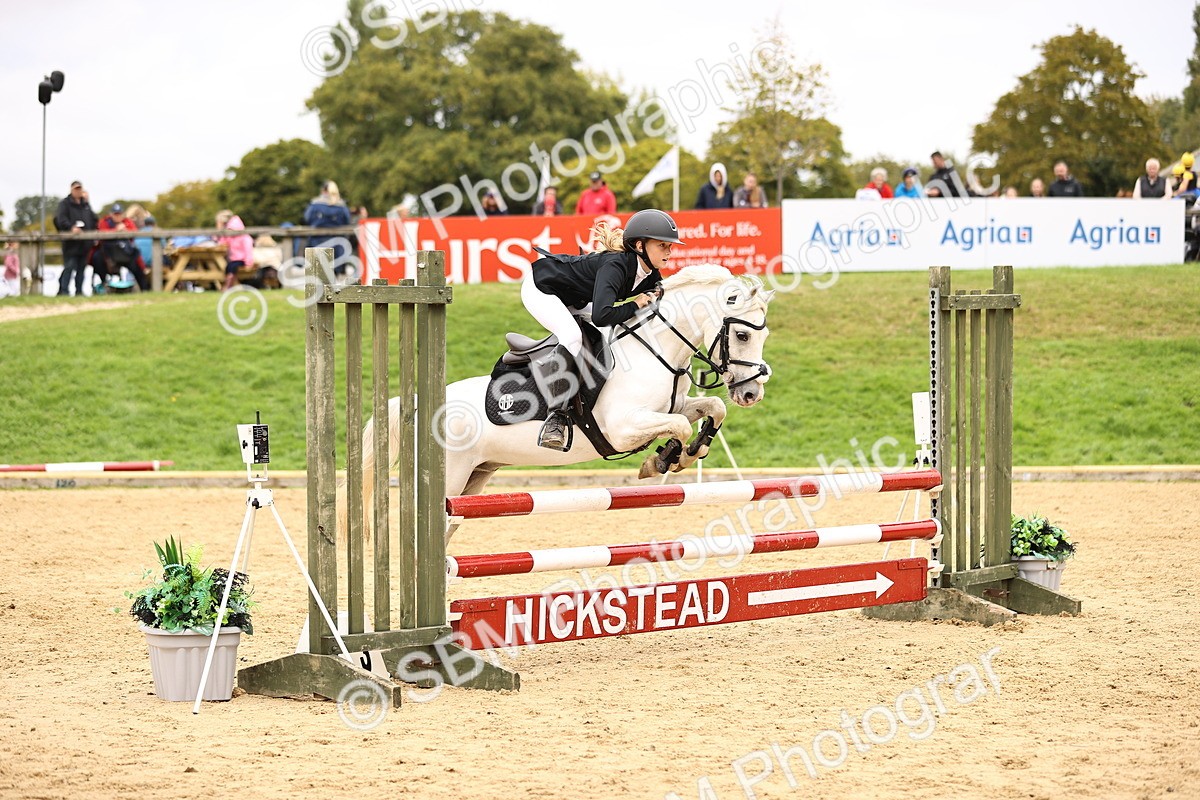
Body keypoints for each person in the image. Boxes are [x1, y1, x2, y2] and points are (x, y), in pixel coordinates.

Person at [521, 209, 681, 450]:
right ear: (640, 245)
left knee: (608, 336)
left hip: (576, 297)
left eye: (670, 246)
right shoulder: (616, 266)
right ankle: (556, 418)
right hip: (543, 287)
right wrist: (634, 304)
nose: (669, 251)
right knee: (572, 336)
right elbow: (603, 315)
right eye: (662, 245)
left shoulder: (650, 275)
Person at [53, 181, 98, 296]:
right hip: (70, 243)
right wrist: (71, 228)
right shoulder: (64, 204)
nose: (78, 191)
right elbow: (60, 220)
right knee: (69, 267)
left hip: (84, 243)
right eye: (76, 189)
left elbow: (94, 220)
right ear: (71, 190)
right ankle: (64, 291)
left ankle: (79, 291)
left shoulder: (85, 205)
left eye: (80, 189)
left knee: (81, 269)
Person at [96, 203, 149, 292]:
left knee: (137, 267)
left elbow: (135, 233)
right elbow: (101, 233)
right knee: (97, 259)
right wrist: (116, 231)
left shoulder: (127, 222)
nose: (117, 216)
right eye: (115, 214)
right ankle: (103, 285)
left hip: (125, 254)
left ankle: (144, 290)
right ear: (111, 214)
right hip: (109, 254)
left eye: (119, 214)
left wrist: (125, 231)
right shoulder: (104, 222)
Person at [303, 181, 353, 276]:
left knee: (318, 276)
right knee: (336, 274)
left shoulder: (315, 205)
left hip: (317, 242)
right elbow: (347, 220)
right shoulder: (341, 206)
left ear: (323, 190)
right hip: (338, 244)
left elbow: (307, 218)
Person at [216, 209, 255, 291]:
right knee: (227, 267)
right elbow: (221, 242)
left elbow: (248, 251)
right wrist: (219, 230)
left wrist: (249, 263)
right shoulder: (231, 237)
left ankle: (228, 286)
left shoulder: (245, 237)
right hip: (233, 259)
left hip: (242, 260)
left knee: (233, 267)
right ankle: (228, 285)